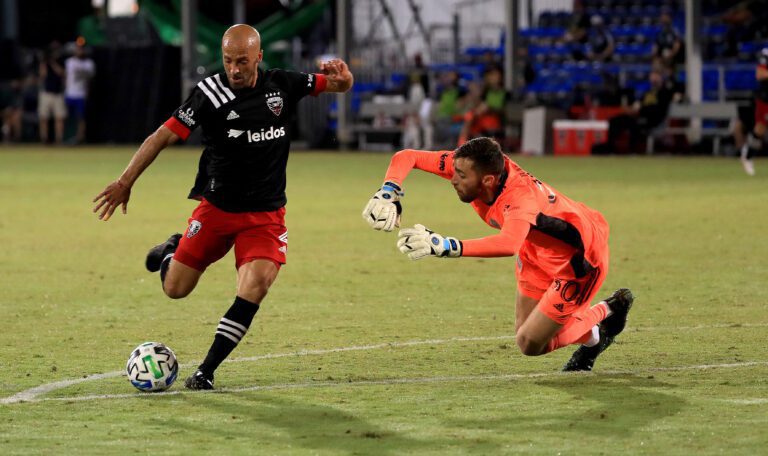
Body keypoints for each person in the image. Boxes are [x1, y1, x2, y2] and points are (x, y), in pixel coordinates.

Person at [92, 24, 353, 389]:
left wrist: (344, 77)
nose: (234, 69)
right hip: (216, 210)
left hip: (265, 216)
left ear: (258, 57)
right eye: (228, 60)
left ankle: (206, 371)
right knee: (175, 290)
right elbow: (161, 136)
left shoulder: (284, 84)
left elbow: (338, 86)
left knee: (256, 285)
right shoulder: (208, 94)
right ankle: (172, 249)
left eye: (242, 61)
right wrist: (125, 182)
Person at [362, 137, 634, 371]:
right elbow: (407, 156)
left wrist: (446, 246)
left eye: (461, 176)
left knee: (529, 344)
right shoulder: (476, 167)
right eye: (454, 170)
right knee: (529, 329)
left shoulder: (519, 199)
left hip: (578, 262)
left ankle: (609, 309)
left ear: (488, 180)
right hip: (535, 251)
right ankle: (593, 338)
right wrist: (389, 191)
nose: (452, 179)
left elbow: (508, 244)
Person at [739, 47, 768, 176]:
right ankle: (748, 155)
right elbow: (760, 74)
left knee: (760, 129)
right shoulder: (765, 53)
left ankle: (748, 154)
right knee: (760, 129)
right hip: (766, 98)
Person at [64, 43, 95, 144]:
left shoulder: (89, 63)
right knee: (68, 117)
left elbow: (90, 77)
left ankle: (80, 138)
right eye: (78, 49)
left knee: (80, 118)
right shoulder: (69, 62)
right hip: (69, 93)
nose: (80, 51)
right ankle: (66, 137)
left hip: (80, 94)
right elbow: (65, 77)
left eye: (81, 49)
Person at [38, 43, 67, 145]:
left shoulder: (62, 61)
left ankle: (59, 139)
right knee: (43, 117)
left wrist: (53, 63)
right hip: (46, 92)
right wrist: (45, 63)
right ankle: (44, 139)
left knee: (59, 118)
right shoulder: (45, 62)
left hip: (58, 93)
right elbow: (43, 75)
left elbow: (62, 73)